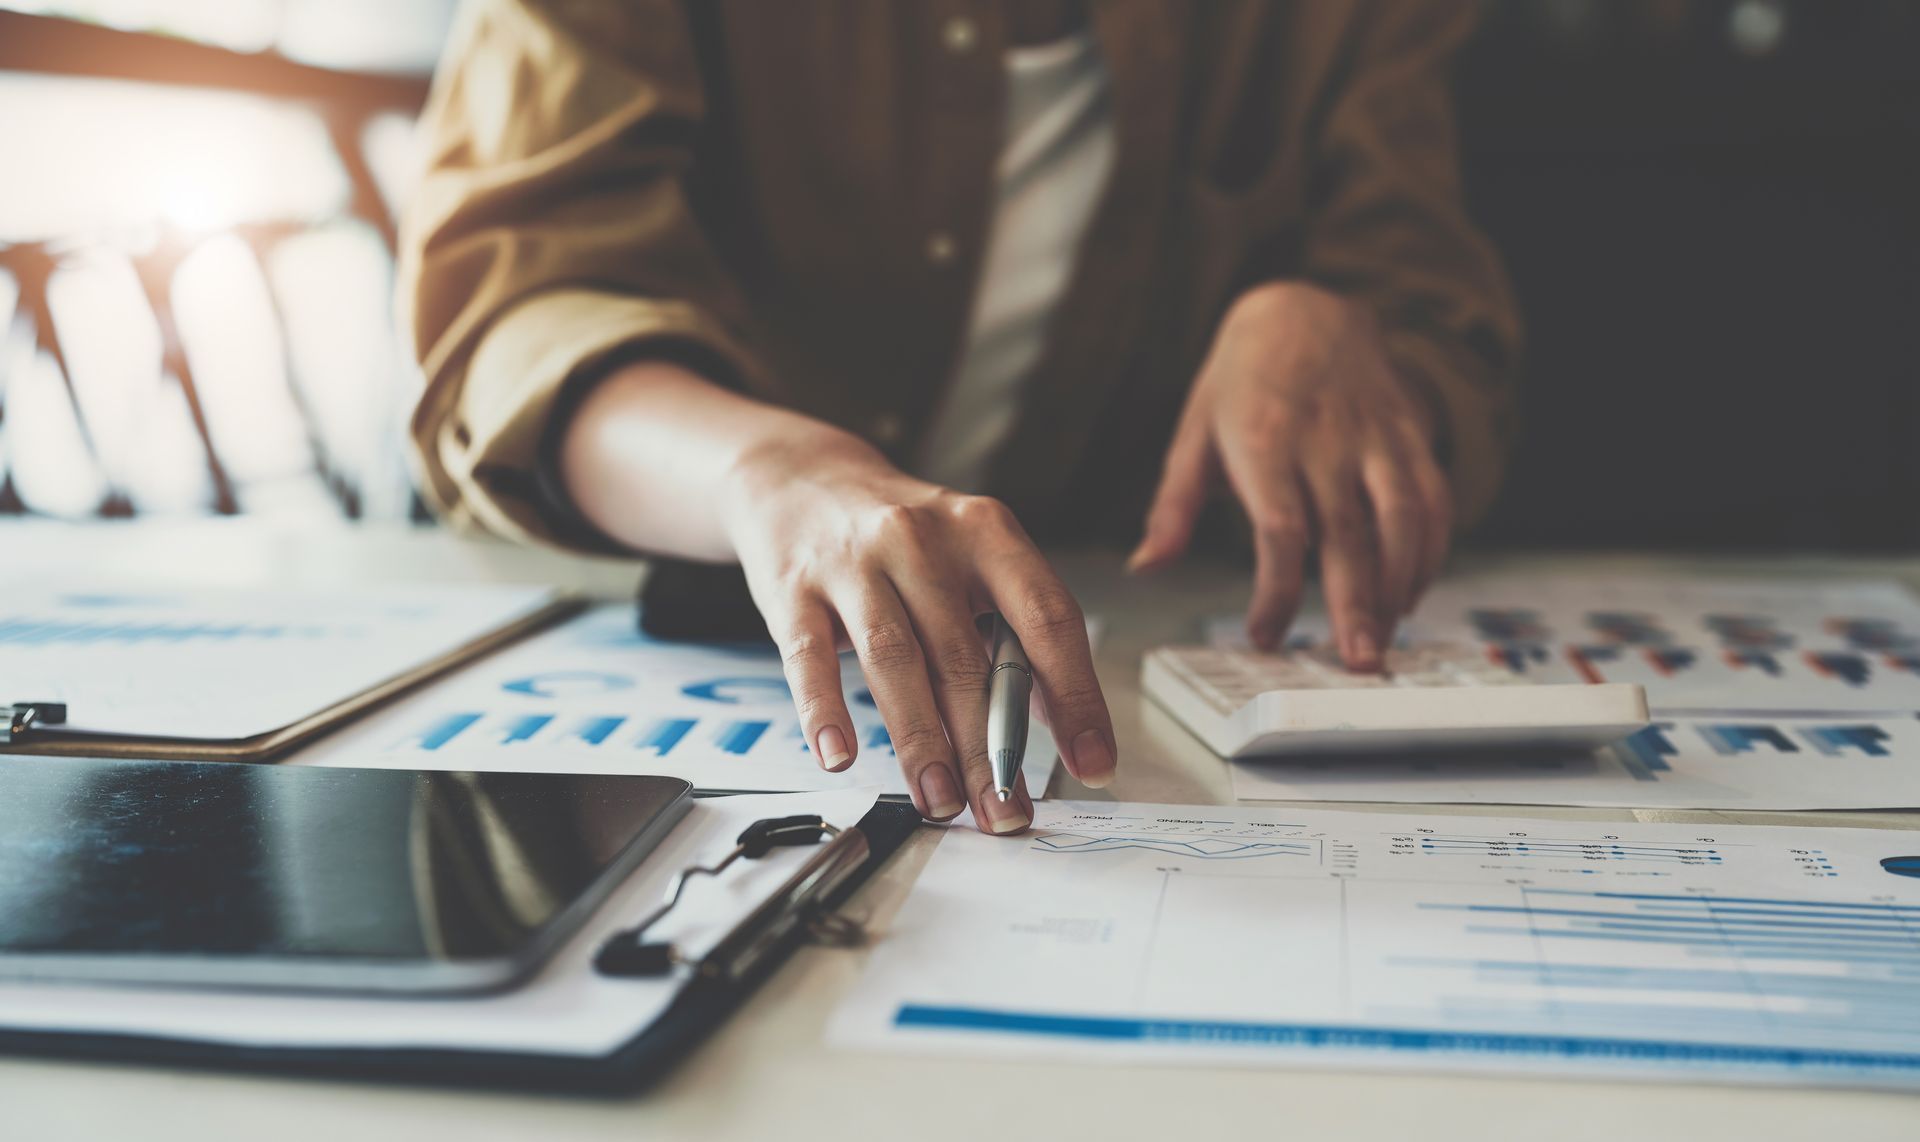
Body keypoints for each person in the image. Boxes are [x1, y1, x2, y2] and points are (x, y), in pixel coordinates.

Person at [400, 1, 1521, 834]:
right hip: (612, 618)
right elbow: (508, 322)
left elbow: (1445, 341)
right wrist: (771, 469)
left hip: (1137, 649)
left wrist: (1336, 333)